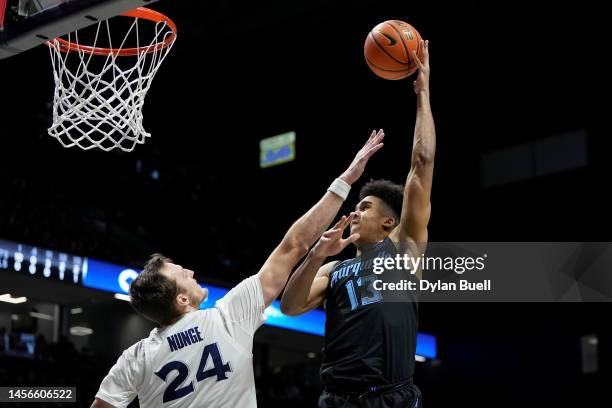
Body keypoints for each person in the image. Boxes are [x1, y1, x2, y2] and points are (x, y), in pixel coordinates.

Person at [90, 130, 385, 408]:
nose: (191, 272)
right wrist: (345, 179)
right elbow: (294, 244)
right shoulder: (228, 317)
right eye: (182, 273)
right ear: (181, 299)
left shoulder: (135, 358)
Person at [281, 40, 434, 408]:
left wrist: (422, 92)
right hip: (337, 399)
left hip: (390, 397)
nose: (354, 212)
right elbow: (290, 306)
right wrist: (318, 254)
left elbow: (422, 160)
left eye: (364, 207)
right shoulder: (335, 268)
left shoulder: (404, 249)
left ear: (388, 221)